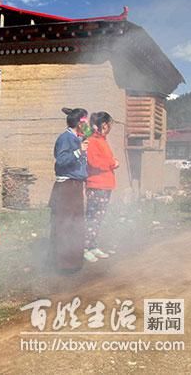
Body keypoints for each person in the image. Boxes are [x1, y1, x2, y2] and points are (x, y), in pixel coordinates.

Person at [49, 107, 89, 272]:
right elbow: (61, 161)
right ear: (79, 123)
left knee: (76, 224)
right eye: (85, 122)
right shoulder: (66, 138)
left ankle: (73, 263)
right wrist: (79, 151)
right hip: (66, 188)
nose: (87, 125)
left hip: (75, 187)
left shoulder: (77, 138)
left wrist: (81, 124)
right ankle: (62, 265)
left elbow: (89, 134)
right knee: (65, 225)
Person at [84, 112, 119, 262]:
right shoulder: (92, 141)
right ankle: (84, 248)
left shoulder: (102, 140)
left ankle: (92, 245)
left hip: (105, 185)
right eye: (108, 123)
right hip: (96, 185)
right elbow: (94, 163)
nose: (110, 126)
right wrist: (113, 164)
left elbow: (106, 158)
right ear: (103, 124)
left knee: (98, 218)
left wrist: (112, 161)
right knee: (91, 217)